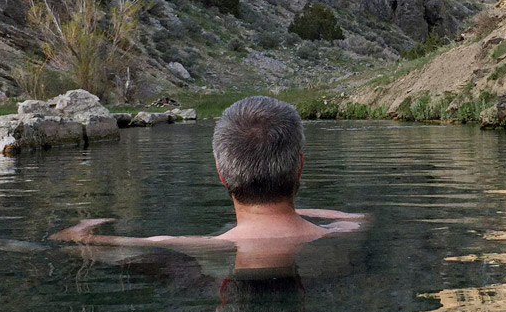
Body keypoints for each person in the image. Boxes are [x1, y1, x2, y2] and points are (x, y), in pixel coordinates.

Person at [50, 95, 365, 269]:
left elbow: (69, 241)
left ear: (221, 172)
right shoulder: (348, 231)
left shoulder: (196, 245)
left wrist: (83, 226)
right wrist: (301, 211)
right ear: (299, 168)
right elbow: (354, 218)